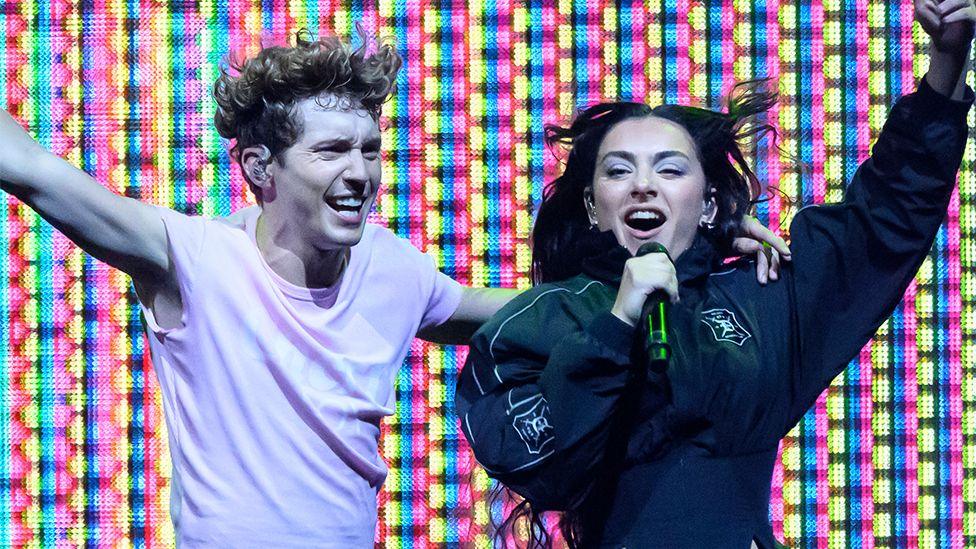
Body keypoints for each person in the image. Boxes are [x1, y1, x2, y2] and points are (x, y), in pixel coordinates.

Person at [0, 26, 789, 547]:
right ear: (259, 170)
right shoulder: (190, 256)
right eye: (333, 151)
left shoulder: (393, 268)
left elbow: (526, 314)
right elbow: (33, 168)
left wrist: (700, 249)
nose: (360, 174)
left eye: (371, 150)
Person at [455, 1, 975, 547]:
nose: (643, 185)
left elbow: (879, 225)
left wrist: (948, 62)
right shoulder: (543, 320)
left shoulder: (761, 297)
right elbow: (532, 461)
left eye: (670, 168)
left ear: (707, 205)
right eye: (618, 170)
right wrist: (615, 326)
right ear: (591, 206)